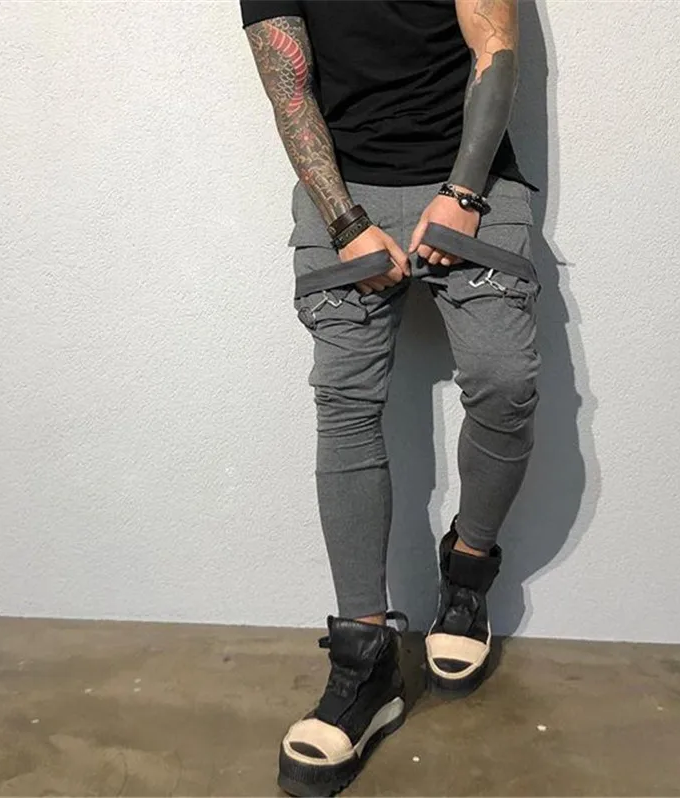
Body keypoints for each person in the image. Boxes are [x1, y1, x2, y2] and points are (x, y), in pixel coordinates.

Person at [240, 1, 541, 794]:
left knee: (506, 381)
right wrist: (345, 222)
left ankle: (467, 570)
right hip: (344, 190)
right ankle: (365, 662)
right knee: (343, 398)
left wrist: (462, 193)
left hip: (473, 178)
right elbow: (290, 87)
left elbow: (495, 48)